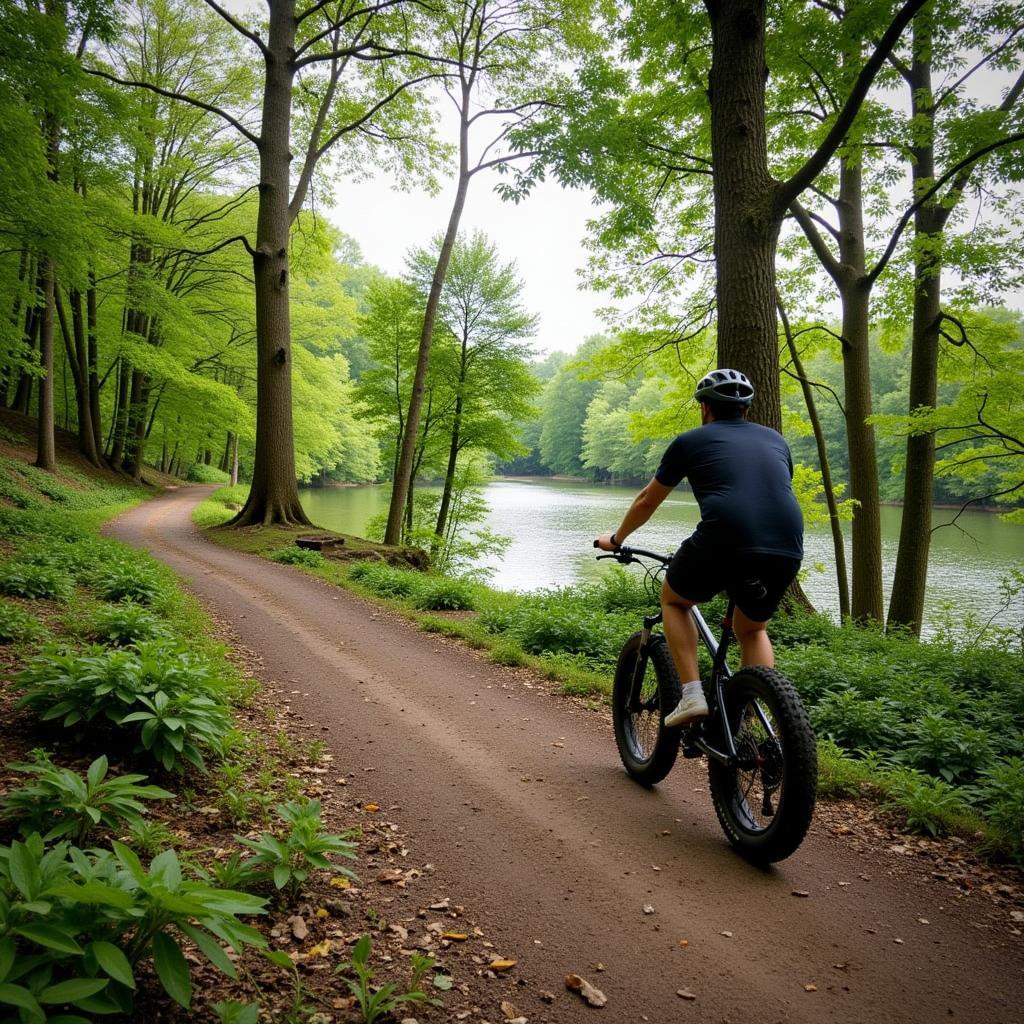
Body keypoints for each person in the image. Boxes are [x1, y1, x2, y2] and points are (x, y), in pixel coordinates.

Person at [596, 368, 803, 727]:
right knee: (753, 629)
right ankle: (758, 721)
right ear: (746, 410)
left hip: (724, 536)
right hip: (786, 542)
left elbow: (647, 500)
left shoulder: (690, 441)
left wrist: (617, 540)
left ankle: (692, 695)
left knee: (675, 599)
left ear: (704, 408)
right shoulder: (776, 441)